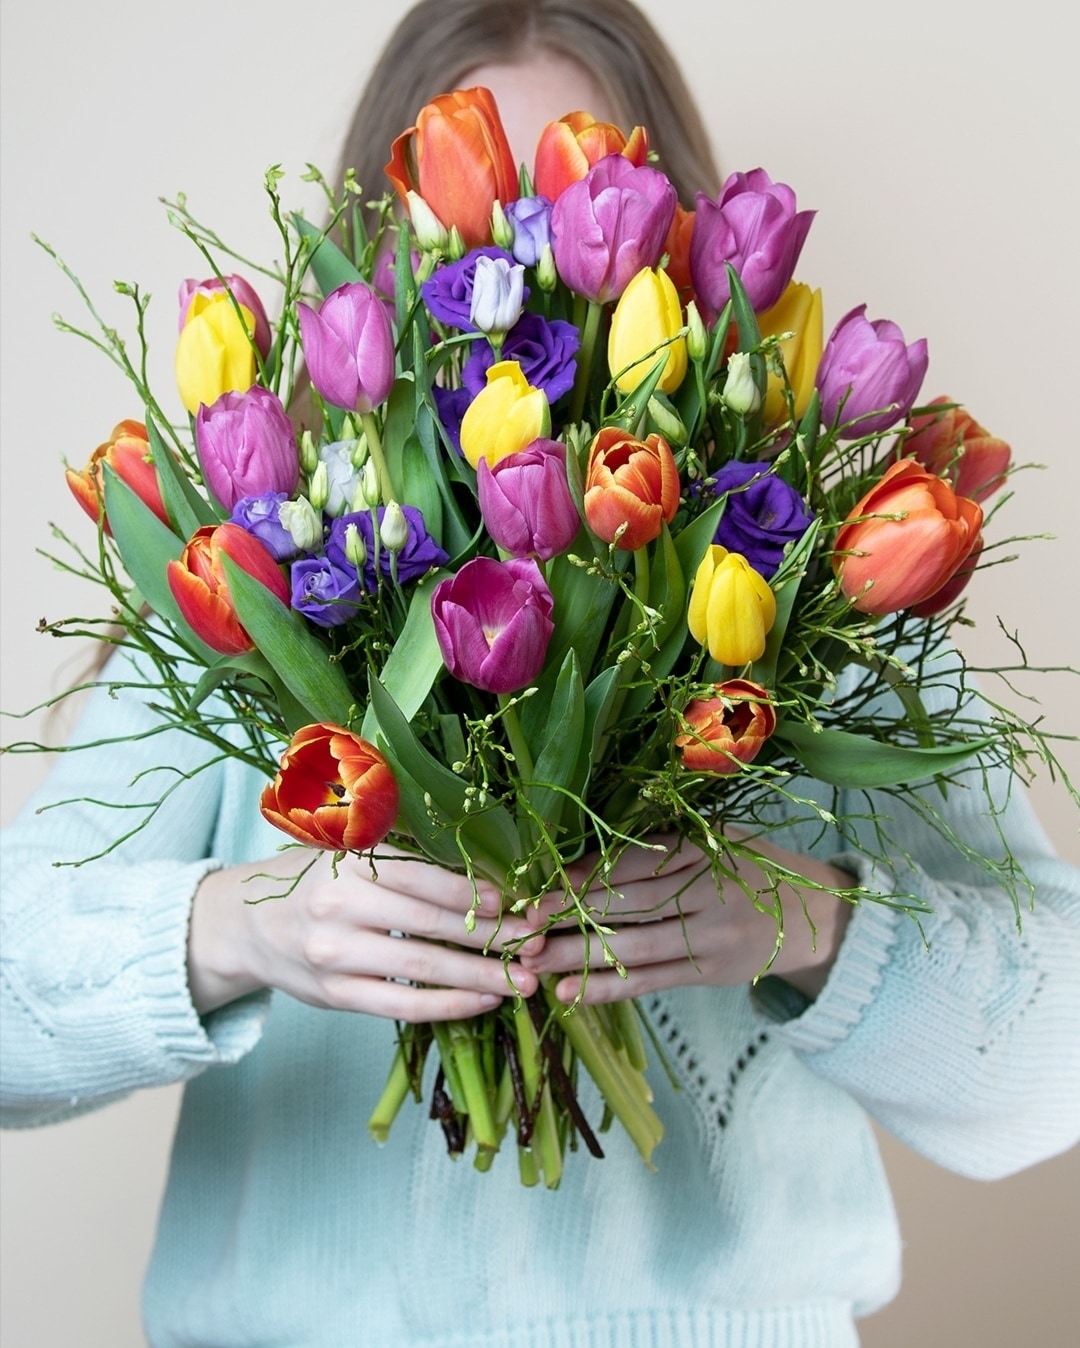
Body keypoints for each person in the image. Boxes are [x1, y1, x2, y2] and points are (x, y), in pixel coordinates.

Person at [2, 2, 1078, 1345]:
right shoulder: (246, 581)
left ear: (683, 242)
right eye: (475, 207)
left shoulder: (801, 566)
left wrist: (811, 923)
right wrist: (235, 929)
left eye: (571, 203)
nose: (515, 249)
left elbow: (1056, 1065)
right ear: (375, 246)